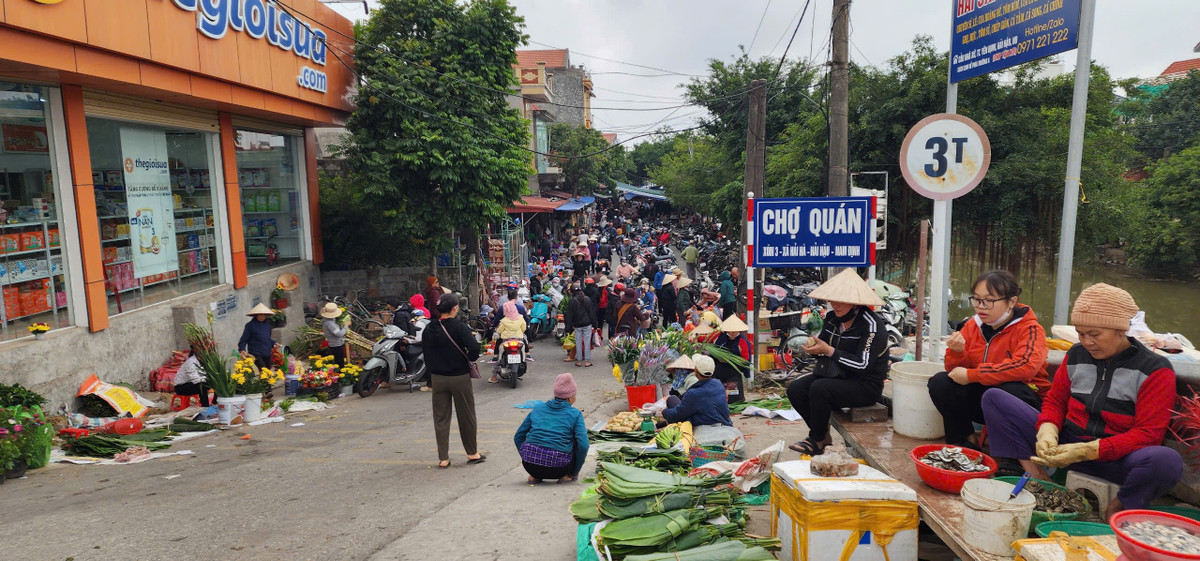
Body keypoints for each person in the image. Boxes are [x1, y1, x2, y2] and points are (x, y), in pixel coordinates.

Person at [981, 283, 1183, 516]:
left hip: (1118, 457)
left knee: (1166, 461)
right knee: (995, 398)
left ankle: (1121, 505)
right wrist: (1048, 429)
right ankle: (1037, 476)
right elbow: (1056, 402)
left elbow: (1149, 433)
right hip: (1067, 446)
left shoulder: (1155, 369)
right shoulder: (1076, 355)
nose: (1087, 342)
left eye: (1095, 335)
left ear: (1120, 330)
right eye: (1081, 333)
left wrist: (1088, 450)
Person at [928, 270, 1050, 450]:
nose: (981, 306)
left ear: (1011, 302)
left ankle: (1014, 456)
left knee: (1010, 390)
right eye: (977, 299)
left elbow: (1026, 366)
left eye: (989, 301)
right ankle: (965, 442)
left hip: (1025, 403)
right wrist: (957, 352)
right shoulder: (972, 325)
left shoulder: (1030, 329)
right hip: (984, 400)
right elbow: (954, 371)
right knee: (941, 382)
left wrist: (973, 375)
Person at [786, 270, 889, 455]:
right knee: (795, 389)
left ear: (855, 301)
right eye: (833, 300)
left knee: (820, 388)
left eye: (842, 300)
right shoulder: (832, 319)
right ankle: (823, 435)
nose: (836, 304)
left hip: (865, 385)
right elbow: (824, 349)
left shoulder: (872, 325)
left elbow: (862, 365)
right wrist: (815, 349)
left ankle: (816, 440)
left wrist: (829, 351)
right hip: (837, 376)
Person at [422, 293, 485, 468]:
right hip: (459, 377)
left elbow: (426, 355)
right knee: (466, 415)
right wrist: (468, 359)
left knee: (441, 418)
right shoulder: (459, 327)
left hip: (438, 378)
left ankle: (443, 458)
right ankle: (472, 453)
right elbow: (474, 347)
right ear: (455, 308)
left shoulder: (429, 328)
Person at [514, 373, 589, 484]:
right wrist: (574, 472)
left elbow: (518, 437)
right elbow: (583, 446)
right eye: (575, 394)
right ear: (570, 397)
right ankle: (566, 476)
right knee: (577, 440)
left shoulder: (538, 408)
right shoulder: (575, 414)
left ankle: (535, 476)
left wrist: (527, 456)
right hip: (560, 468)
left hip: (530, 466)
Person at [662, 355, 733, 427]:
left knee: (671, 400)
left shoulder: (693, 393)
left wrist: (664, 412)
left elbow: (677, 414)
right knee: (674, 399)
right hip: (723, 421)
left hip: (703, 424)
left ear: (695, 370)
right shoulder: (718, 384)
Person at [490, 300, 528, 383]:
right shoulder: (520, 318)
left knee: (498, 354)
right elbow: (524, 328)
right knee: (524, 346)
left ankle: (494, 374)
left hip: (506, 341)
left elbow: (499, 331)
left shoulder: (504, 320)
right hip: (518, 340)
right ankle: (526, 356)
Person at [565, 284, 597, 368]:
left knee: (578, 342)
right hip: (587, 324)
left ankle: (579, 361)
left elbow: (569, 315)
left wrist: (567, 328)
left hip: (577, 325)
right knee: (587, 342)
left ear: (572, 291)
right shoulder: (587, 299)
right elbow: (592, 313)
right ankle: (587, 361)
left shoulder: (572, 301)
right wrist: (595, 325)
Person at [238, 303, 276, 367]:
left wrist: (273, 343)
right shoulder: (250, 325)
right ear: (256, 315)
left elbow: (267, 337)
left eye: (264, 315)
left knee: (268, 371)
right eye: (260, 315)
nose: (262, 317)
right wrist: (242, 349)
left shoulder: (267, 325)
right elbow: (244, 338)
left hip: (266, 352)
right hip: (256, 352)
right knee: (263, 370)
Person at [319, 302, 348, 367]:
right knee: (339, 362)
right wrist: (345, 327)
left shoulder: (329, 321)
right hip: (336, 345)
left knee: (339, 361)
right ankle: (339, 373)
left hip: (335, 344)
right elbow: (339, 334)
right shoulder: (330, 324)